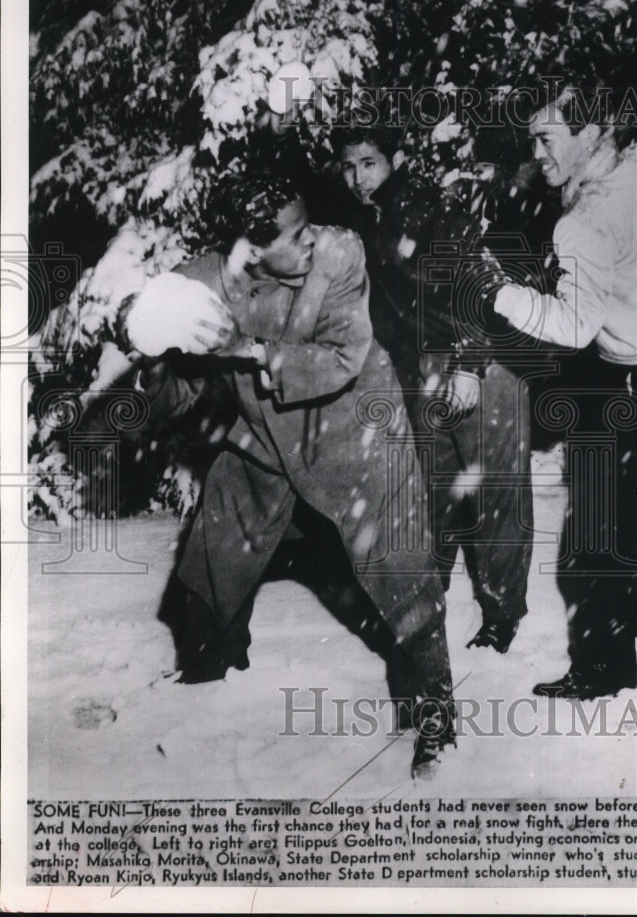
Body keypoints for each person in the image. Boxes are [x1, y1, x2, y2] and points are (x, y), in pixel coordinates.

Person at [118, 173, 456, 777]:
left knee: (403, 575)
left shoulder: (340, 252)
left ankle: (435, 720)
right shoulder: (202, 286)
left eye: (307, 224)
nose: (309, 240)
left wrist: (243, 348)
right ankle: (209, 682)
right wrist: (150, 355)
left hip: (360, 432)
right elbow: (177, 394)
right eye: (294, 234)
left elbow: (340, 360)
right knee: (213, 553)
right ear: (249, 243)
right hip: (266, 441)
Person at [485, 61, 637, 698]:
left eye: (546, 138)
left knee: (593, 531)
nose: (536, 153)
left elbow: (574, 325)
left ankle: (604, 670)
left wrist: (502, 297)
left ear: (592, 134)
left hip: (631, 388)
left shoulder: (581, 225)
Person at [332, 126, 534, 654]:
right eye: (349, 165)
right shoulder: (364, 215)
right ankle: (427, 604)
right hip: (425, 365)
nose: (358, 178)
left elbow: (481, 279)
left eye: (369, 162)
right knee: (431, 490)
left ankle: (502, 613)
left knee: (497, 492)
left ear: (394, 158)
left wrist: (468, 365)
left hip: (483, 359)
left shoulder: (427, 206)